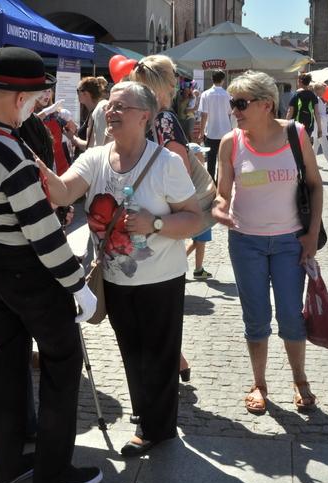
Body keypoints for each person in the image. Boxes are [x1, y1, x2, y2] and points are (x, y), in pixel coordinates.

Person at [0, 47, 102, 483]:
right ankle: (52, 472)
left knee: (8, 362)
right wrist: (77, 284)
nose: (36, 107)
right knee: (62, 359)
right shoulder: (8, 151)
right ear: (18, 97)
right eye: (35, 99)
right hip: (26, 269)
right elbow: (42, 232)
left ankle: (7, 465)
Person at [38, 80, 202, 456]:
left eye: (121, 107)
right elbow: (63, 192)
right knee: (131, 350)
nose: (111, 112)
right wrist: (34, 162)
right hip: (113, 278)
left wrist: (154, 224)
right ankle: (146, 413)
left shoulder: (166, 163)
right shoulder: (95, 158)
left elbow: (194, 219)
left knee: (159, 353)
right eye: (110, 105)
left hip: (161, 279)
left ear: (145, 116)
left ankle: (156, 428)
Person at [211, 70, 323, 415]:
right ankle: (259, 383)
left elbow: (315, 185)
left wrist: (311, 235)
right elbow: (222, 193)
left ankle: (299, 379)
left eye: (240, 103)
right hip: (247, 243)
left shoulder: (295, 134)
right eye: (232, 103)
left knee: (291, 315)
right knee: (256, 317)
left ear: (266, 104)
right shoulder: (231, 142)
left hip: (291, 241)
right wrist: (219, 208)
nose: (234, 110)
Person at [128, 54, 204, 380]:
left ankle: (170, 358)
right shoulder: (164, 118)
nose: (176, 87)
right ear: (164, 84)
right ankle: (170, 358)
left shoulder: (137, 115)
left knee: (146, 296)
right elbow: (179, 168)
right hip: (161, 214)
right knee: (157, 295)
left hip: (137, 211)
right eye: (173, 81)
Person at [197, 69, 232, 180]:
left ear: (212, 79)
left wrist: (201, 131)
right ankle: (221, 182)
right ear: (223, 80)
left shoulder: (205, 94)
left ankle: (211, 183)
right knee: (223, 160)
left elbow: (204, 115)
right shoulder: (227, 95)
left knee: (210, 160)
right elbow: (229, 113)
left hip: (211, 132)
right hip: (225, 132)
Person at [69, 76, 109, 151]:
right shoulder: (93, 112)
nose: (77, 94)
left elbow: (89, 146)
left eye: (78, 91)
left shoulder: (97, 113)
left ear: (85, 93)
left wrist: (73, 138)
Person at [287, 73, 322, 143]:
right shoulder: (313, 96)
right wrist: (319, 129)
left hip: (296, 125)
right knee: (305, 144)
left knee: (296, 145)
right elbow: (317, 113)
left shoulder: (296, 95)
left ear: (300, 81)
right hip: (309, 126)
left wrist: (286, 125)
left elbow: (290, 112)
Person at [310, 82, 328, 171]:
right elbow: (317, 114)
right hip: (319, 127)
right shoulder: (317, 100)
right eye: (323, 90)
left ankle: (312, 164)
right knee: (325, 146)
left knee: (316, 146)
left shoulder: (318, 99)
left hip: (319, 126)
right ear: (318, 90)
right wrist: (327, 117)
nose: (325, 91)